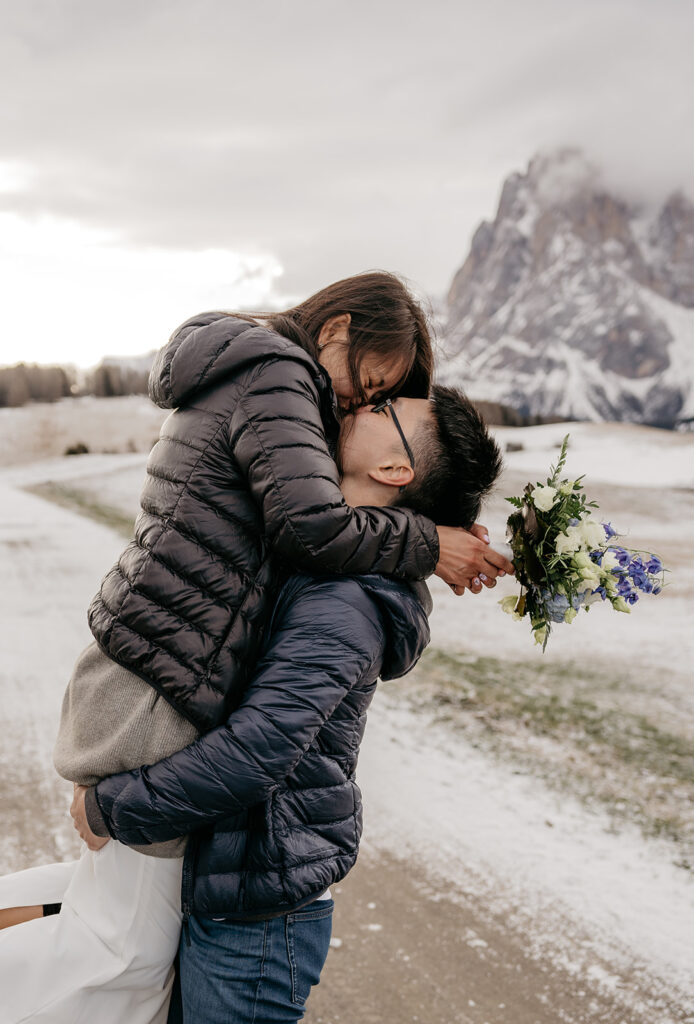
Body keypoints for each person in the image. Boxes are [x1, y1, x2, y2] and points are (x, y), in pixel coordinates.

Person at [0, 272, 511, 1021]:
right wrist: (427, 540)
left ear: (398, 469)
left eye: (377, 402)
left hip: (240, 864)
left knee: (112, 943)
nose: (353, 405)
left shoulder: (343, 593)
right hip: (167, 720)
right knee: (115, 955)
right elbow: (311, 527)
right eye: (371, 388)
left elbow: (259, 743)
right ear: (336, 328)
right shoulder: (280, 377)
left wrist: (117, 806)